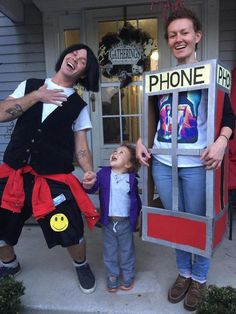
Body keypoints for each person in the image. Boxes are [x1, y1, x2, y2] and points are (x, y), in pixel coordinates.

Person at [136, 7, 235, 312]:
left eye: (184, 33)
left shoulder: (211, 74)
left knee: (199, 223)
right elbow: (150, 117)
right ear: (168, 41)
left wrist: (222, 140)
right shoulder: (160, 80)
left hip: (197, 165)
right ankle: (184, 273)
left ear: (197, 36)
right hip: (163, 163)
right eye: (172, 34)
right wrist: (140, 140)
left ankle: (200, 278)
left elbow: (229, 116)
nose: (178, 39)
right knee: (176, 221)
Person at [0, 43, 101, 294]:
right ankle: (9, 263)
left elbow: (81, 147)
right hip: (14, 172)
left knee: (68, 227)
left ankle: (82, 264)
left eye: (82, 61)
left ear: (82, 74)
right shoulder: (30, 84)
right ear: (64, 56)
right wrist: (37, 96)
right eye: (74, 53)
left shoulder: (78, 105)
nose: (76, 59)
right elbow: (2, 113)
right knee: (1, 224)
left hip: (52, 177)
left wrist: (88, 170)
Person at [83, 144, 141, 292]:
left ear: (128, 164)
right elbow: (92, 187)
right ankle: (112, 275)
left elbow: (136, 201)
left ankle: (128, 275)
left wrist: (138, 218)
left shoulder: (131, 179)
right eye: (115, 151)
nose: (115, 153)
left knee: (127, 250)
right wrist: (88, 183)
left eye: (121, 153)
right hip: (108, 222)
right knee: (110, 250)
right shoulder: (103, 174)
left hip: (125, 223)